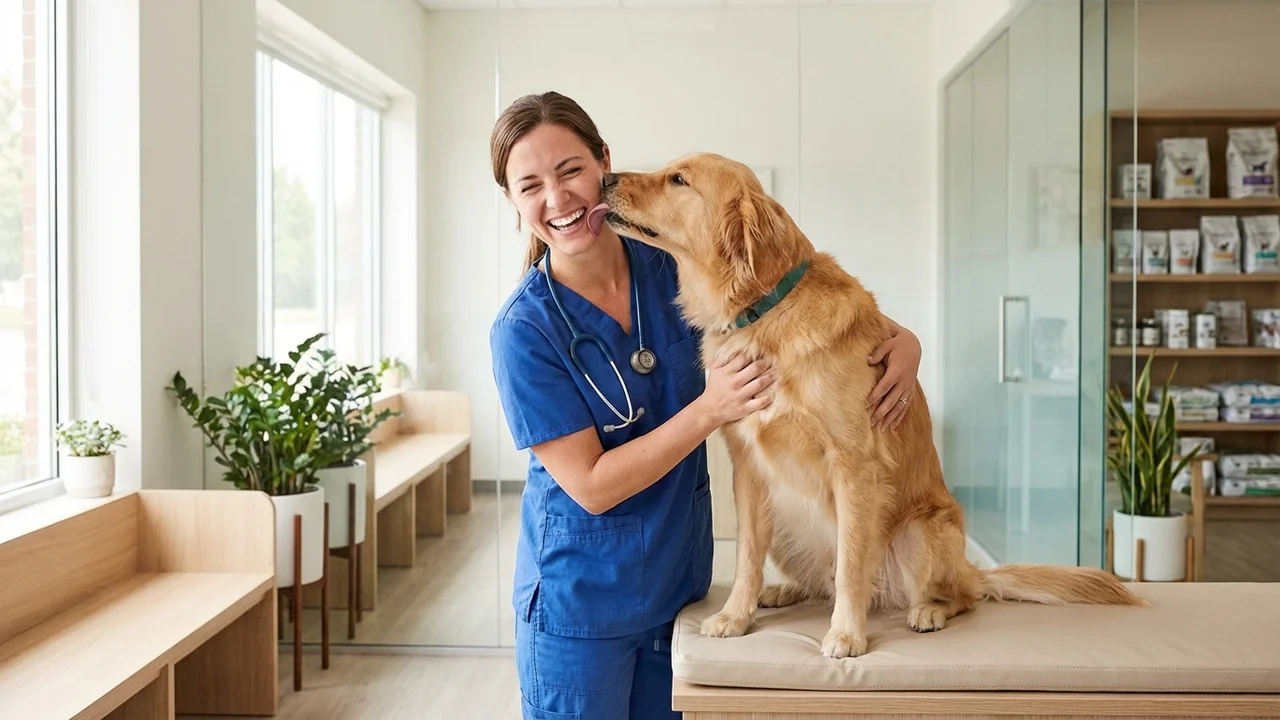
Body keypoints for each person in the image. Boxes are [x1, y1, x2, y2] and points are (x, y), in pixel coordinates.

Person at [488, 91, 923, 720]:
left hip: (680, 591)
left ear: (603, 165)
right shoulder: (524, 330)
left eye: (571, 171)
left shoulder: (673, 265)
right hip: (579, 608)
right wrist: (710, 409)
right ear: (514, 202)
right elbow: (589, 485)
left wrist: (904, 342)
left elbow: (809, 303)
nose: (557, 199)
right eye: (530, 185)